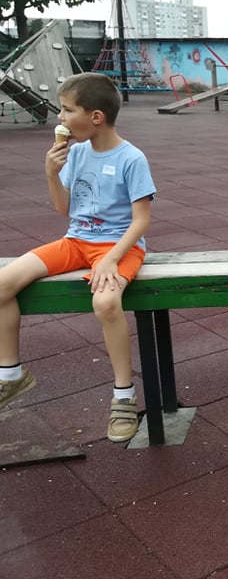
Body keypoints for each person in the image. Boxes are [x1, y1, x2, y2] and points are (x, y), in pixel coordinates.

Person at [0, 73, 156, 442]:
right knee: (3, 283)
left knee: (105, 302)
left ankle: (123, 396)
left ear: (95, 117)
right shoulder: (77, 153)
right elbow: (64, 209)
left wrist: (111, 259)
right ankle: (11, 374)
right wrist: (51, 174)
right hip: (76, 241)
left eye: (67, 110)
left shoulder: (131, 158)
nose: (60, 117)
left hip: (119, 246)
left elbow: (141, 221)